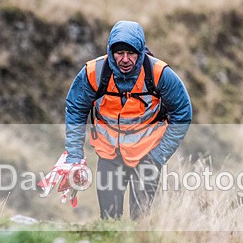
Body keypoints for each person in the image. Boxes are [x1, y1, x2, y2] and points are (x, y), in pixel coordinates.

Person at [64, 20, 192, 219]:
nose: (125, 59)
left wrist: (159, 155)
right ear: (110, 51)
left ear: (140, 52)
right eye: (119, 53)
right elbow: (75, 110)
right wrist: (74, 156)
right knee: (108, 217)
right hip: (109, 154)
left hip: (148, 155)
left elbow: (183, 113)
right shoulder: (93, 73)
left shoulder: (160, 74)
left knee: (141, 219)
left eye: (131, 53)